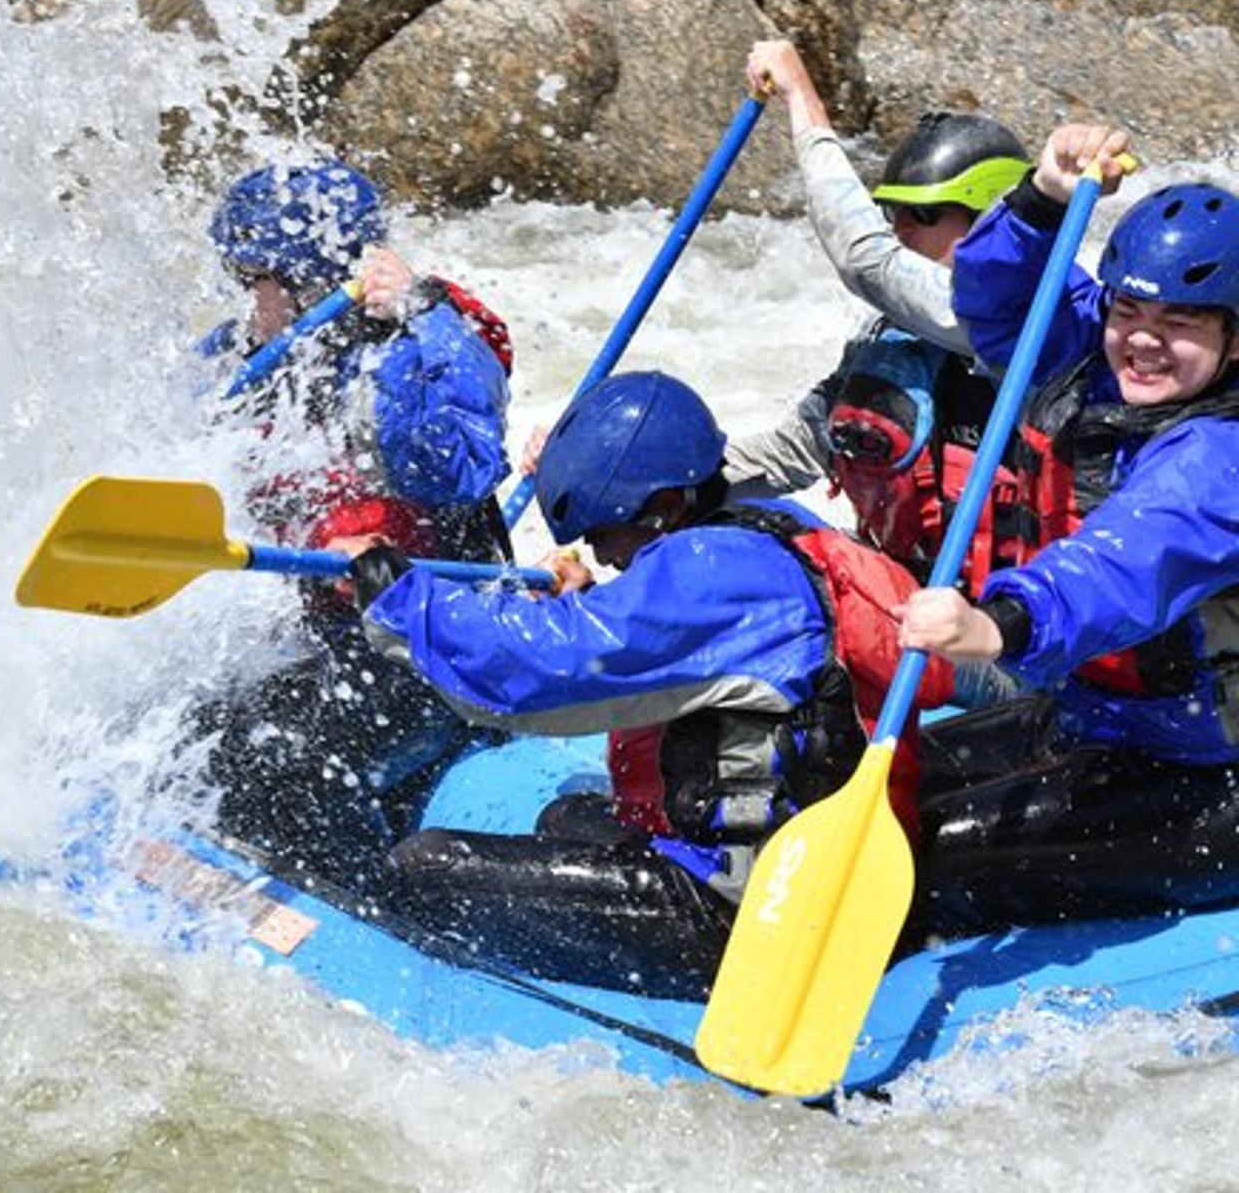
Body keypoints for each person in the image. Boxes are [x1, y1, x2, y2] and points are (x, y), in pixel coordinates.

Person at [337, 371, 951, 995]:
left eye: (605, 533)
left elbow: (539, 673)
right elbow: (669, 640)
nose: (602, 555)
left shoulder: (706, 574)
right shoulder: (765, 531)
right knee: (566, 815)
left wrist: (400, 598)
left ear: (666, 508)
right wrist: (593, 602)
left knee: (423, 868)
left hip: (753, 909)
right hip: (793, 859)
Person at [896, 124, 1239, 933]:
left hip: (1210, 775)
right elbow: (999, 299)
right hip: (1100, 722)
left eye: (1181, 321)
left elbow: (1122, 564)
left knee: (919, 854)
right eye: (1130, 308)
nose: (1144, 338)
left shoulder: (1218, 460)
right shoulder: (1100, 359)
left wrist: (1005, 620)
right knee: (879, 782)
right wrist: (1041, 198)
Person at [190, 158, 516, 892]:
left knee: (285, 770)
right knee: (193, 730)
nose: (245, 304)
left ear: (307, 284)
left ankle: (357, 903)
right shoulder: (255, 360)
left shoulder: (401, 362)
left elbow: (465, 465)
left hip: (429, 649)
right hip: (333, 639)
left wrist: (421, 309)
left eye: (252, 282)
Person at [731, 43, 1037, 610]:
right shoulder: (894, 340)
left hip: (1008, 626)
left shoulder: (1023, 323)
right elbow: (792, 452)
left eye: (923, 215)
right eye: (892, 214)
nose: (900, 232)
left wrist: (802, 97)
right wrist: (661, 486)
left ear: (990, 222)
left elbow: (864, 259)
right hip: (907, 606)